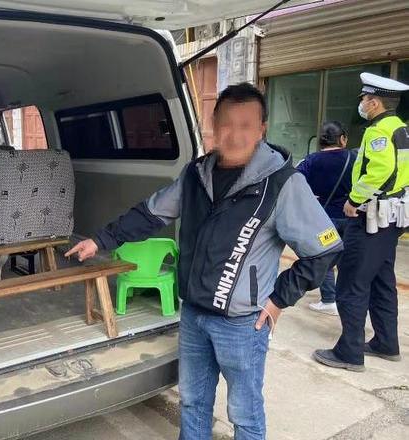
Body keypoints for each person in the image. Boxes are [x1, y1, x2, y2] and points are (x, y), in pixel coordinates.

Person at [66, 83, 343, 440]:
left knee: (244, 414)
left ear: (262, 129)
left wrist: (278, 300)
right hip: (194, 314)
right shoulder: (196, 175)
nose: (235, 134)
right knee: (193, 403)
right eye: (226, 123)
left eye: (246, 125)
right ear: (213, 124)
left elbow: (324, 250)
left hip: (243, 324)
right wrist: (101, 239)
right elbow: (151, 213)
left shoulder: (282, 183)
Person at [314, 73, 409, 372]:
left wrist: (354, 200)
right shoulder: (402, 129)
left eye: (365, 99)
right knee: (382, 281)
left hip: (371, 216)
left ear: (375, 102)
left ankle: (349, 352)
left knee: (351, 282)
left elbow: (379, 170)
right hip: (391, 217)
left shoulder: (378, 131)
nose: (362, 104)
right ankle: (386, 342)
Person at [296, 121, 355, 315]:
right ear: (342, 139)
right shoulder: (354, 158)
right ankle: (347, 299)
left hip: (324, 221)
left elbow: (294, 180)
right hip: (351, 218)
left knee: (325, 258)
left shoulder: (311, 160)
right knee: (348, 260)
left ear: (321, 141)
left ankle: (329, 299)